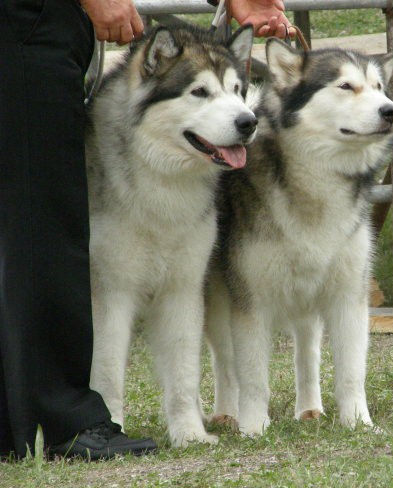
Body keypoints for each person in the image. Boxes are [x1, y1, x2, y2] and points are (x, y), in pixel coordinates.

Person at [0, 0, 292, 461]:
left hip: (54, 30)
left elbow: (181, 299)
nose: (239, 112)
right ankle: (98, 419)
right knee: (62, 258)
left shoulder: (203, 166)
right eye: (201, 93)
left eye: (236, 90)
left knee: (180, 290)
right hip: (26, 22)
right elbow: (110, 298)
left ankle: (184, 417)